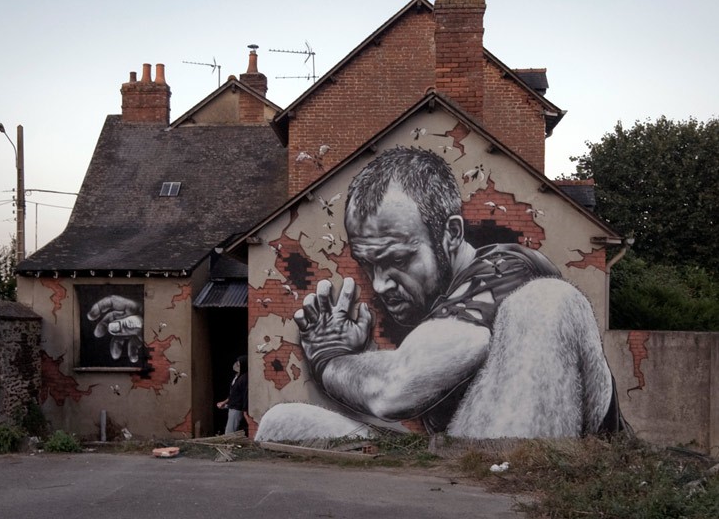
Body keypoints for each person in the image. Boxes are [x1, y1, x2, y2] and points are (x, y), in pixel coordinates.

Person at [255, 147, 624, 441]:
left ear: (451, 234)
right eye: (368, 264)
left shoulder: (509, 268)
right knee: (281, 422)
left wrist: (330, 360)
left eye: (398, 259)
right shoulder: (437, 310)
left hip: (538, 471)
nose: (380, 284)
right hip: (458, 464)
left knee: (548, 300)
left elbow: (396, 388)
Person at [216, 355, 248, 435]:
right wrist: (225, 402)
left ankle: (230, 442)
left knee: (230, 432)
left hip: (237, 408)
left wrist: (245, 410)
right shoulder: (237, 377)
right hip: (233, 406)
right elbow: (233, 394)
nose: (236, 365)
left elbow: (244, 395)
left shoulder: (244, 378)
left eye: (239, 364)